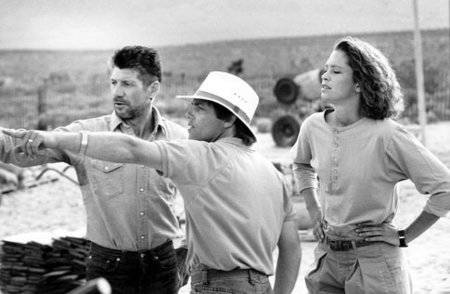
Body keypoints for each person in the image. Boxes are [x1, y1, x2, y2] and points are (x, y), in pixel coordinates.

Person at [4, 71, 302, 294]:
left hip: (218, 286)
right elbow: (291, 249)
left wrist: (54, 138)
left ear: (227, 120)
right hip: (260, 285)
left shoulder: (202, 156)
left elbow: (132, 148)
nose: (188, 113)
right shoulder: (272, 173)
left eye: (199, 108)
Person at [0, 46, 188, 294]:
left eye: (128, 84)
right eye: (113, 82)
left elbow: (202, 201)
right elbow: (19, 147)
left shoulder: (180, 138)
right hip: (109, 267)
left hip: (162, 266)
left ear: (152, 89)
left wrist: (185, 253)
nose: (117, 93)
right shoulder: (85, 136)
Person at [292, 36, 450, 293]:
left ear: (358, 83)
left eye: (336, 70)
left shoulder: (387, 135)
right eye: (326, 68)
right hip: (327, 259)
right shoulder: (312, 126)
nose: (324, 76)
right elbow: (300, 164)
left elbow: (445, 189)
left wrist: (403, 236)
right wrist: (313, 208)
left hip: (375, 263)